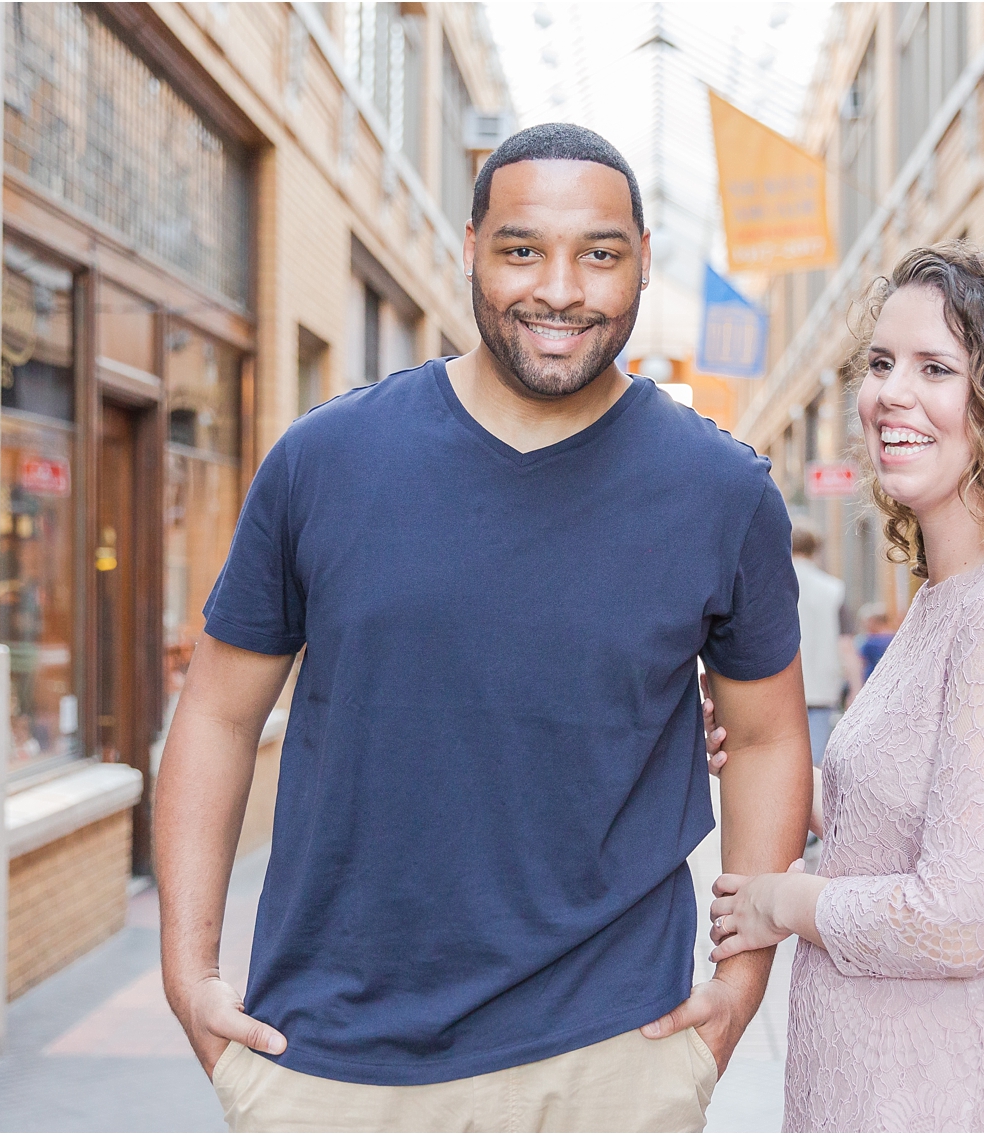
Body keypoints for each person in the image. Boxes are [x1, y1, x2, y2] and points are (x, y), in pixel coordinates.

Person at [154, 123, 813, 1133]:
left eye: (600, 253)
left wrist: (740, 978)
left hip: (610, 1055)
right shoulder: (324, 461)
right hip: (326, 1059)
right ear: (468, 249)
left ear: (641, 262)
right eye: (521, 249)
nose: (560, 287)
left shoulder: (721, 491)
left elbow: (766, 736)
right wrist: (188, 972)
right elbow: (214, 716)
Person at [704, 242, 984, 1131]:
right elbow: (940, 812)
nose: (888, 395)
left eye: (936, 368)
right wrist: (797, 785)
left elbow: (960, 916)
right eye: (880, 363)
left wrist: (779, 900)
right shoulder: (957, 594)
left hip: (971, 1101)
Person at [791, 520, 862, 765]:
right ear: (816, 550)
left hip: (782, 690)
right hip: (822, 690)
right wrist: (855, 687)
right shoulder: (833, 589)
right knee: (814, 766)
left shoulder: (774, 586)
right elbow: (845, 645)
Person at [854, 602, 894, 679]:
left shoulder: (869, 643)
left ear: (873, 621)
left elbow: (860, 664)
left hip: (873, 679)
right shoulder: (895, 637)